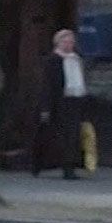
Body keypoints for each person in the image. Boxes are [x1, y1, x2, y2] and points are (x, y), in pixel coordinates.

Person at [34, 28, 88, 180]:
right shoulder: (52, 60)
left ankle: (70, 166)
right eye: (65, 42)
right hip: (59, 102)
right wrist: (45, 107)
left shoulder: (77, 58)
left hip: (75, 99)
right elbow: (47, 85)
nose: (68, 45)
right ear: (57, 43)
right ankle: (48, 165)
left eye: (71, 42)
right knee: (60, 136)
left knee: (73, 135)